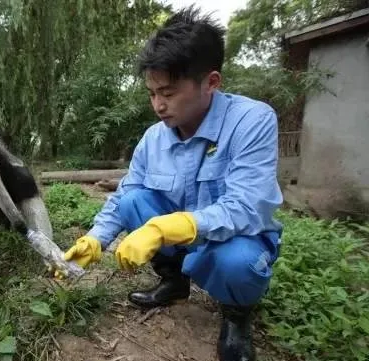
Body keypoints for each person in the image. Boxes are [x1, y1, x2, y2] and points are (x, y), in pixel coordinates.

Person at [60, 6, 283, 361]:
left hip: (233, 237)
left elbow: (247, 206)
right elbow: (127, 195)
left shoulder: (252, 121)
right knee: (134, 202)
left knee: (238, 261)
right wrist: (96, 238)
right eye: (151, 93)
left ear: (211, 82)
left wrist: (168, 228)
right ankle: (174, 282)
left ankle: (237, 315)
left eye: (168, 92)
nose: (158, 105)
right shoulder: (153, 138)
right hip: (181, 234)